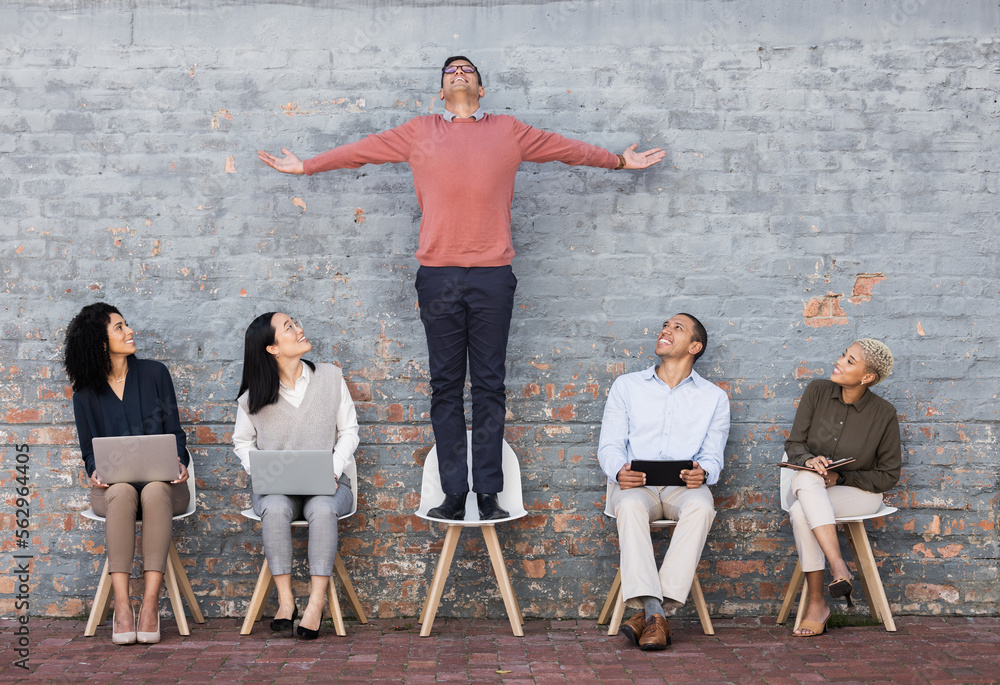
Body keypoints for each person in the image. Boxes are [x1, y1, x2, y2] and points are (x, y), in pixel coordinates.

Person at [258, 55, 665, 521]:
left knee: (490, 386)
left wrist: (617, 161)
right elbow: (362, 150)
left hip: (493, 276)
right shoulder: (419, 131)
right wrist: (307, 166)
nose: (458, 72)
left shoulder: (509, 131)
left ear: (481, 89)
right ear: (441, 91)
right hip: (439, 276)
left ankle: (488, 493)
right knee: (446, 387)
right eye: (450, 71)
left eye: (467, 69)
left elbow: (564, 148)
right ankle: (454, 493)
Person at [597, 314, 730, 651]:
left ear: (695, 346)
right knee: (627, 506)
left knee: (702, 505)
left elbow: (713, 455)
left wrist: (704, 472)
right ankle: (658, 615)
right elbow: (610, 445)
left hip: (682, 488)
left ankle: (651, 614)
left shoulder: (714, 397)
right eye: (666, 326)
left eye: (677, 328)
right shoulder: (626, 386)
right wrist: (617, 471)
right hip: (635, 486)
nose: (666, 331)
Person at [65, 303, 190, 645]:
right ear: (100, 342)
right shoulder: (85, 394)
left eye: (126, 324)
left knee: (152, 490)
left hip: (165, 489)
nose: (129, 331)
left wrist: (179, 463)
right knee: (120, 491)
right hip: (113, 493)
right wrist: (95, 472)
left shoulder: (154, 374)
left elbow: (176, 433)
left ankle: (149, 605)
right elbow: (90, 453)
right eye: (119, 327)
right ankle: (122, 606)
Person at [233, 312, 360, 639]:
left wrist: (333, 467)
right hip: (277, 487)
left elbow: (349, 431)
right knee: (274, 508)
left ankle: (316, 604)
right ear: (272, 348)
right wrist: (259, 469)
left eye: (295, 323)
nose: (299, 329)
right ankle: (287, 602)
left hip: (330, 486)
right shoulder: (252, 398)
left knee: (321, 508)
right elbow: (242, 442)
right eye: (289, 327)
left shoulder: (331, 377)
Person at [783, 339, 900, 637]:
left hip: (858, 495)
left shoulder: (884, 414)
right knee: (807, 480)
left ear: (867, 377)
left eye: (850, 361)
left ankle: (818, 603)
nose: (839, 361)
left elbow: (888, 476)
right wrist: (810, 460)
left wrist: (843, 478)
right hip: (812, 486)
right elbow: (794, 443)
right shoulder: (817, 391)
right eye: (843, 355)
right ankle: (838, 568)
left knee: (801, 513)